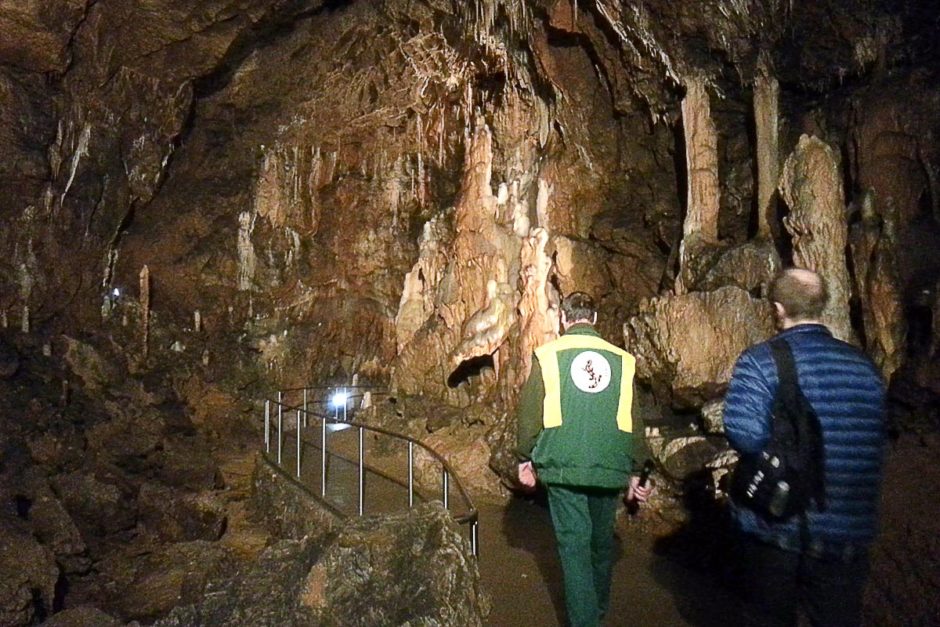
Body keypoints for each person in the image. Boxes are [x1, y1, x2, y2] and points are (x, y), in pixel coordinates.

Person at [723, 268, 887, 626]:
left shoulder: (761, 361)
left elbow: (743, 433)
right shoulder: (865, 368)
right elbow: (876, 442)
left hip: (778, 526)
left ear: (778, 308)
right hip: (846, 530)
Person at [516, 292, 651, 627]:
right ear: (593, 319)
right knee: (601, 543)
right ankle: (597, 612)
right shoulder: (622, 360)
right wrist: (637, 471)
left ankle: (586, 622)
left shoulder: (548, 356)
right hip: (610, 466)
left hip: (563, 465)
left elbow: (530, 414)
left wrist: (524, 458)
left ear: (563, 319)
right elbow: (633, 420)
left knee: (574, 546)